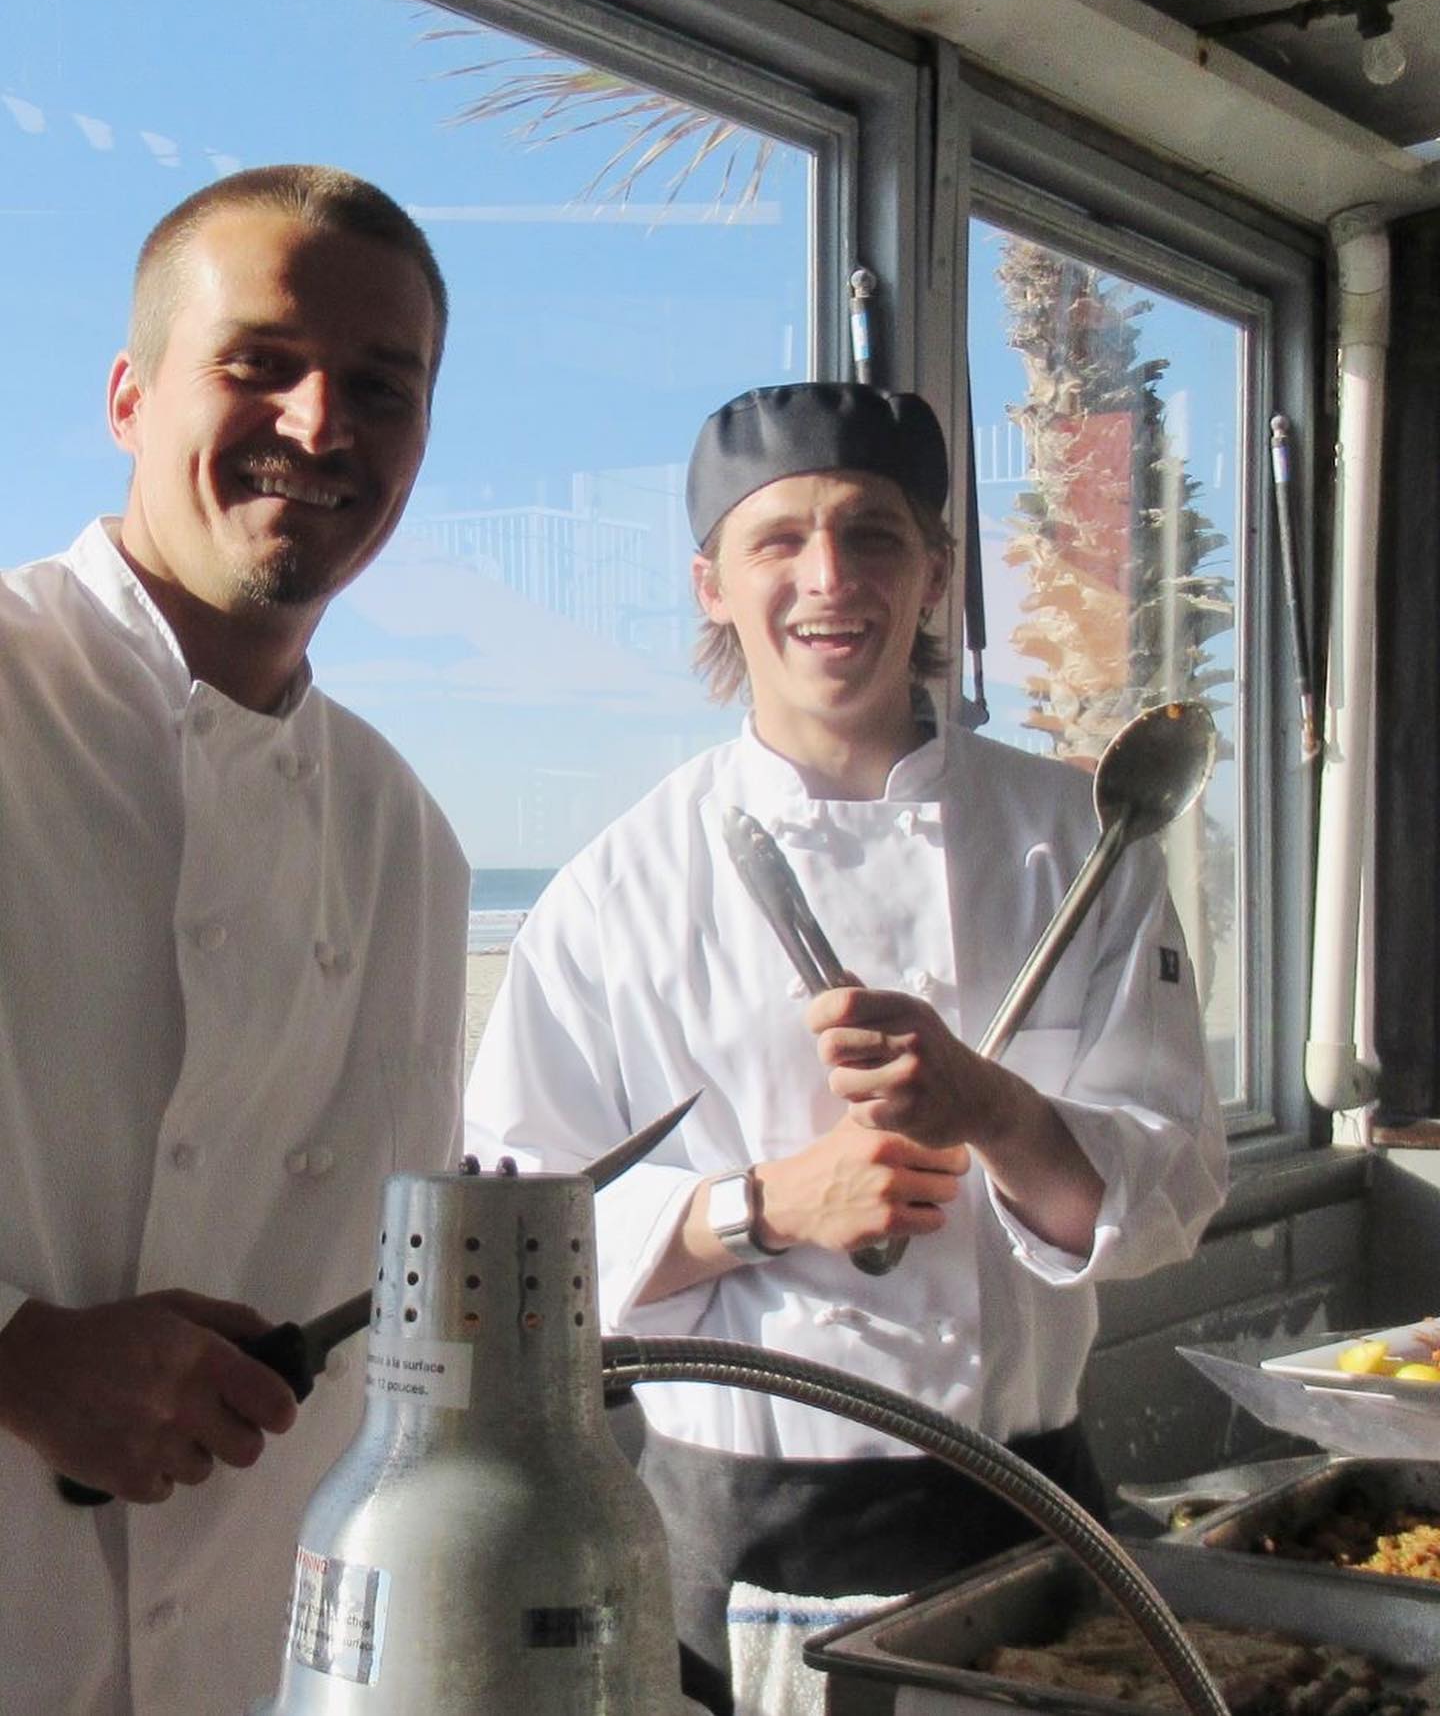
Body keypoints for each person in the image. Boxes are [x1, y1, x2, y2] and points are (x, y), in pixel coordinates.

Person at [465, 381, 1227, 1711]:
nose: (830, 577)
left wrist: (997, 1110)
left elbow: (1171, 1194)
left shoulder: (1077, 843)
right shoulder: (613, 893)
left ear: (935, 572)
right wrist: (763, 1207)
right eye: (781, 538)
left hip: (1032, 1513)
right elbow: (513, 1249)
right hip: (739, 1542)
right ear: (711, 583)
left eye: (874, 533)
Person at [0, 166, 469, 1715]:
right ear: (130, 398)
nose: (322, 424)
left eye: (381, 388)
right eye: (261, 361)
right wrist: (13, 1355)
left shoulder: (405, 841)